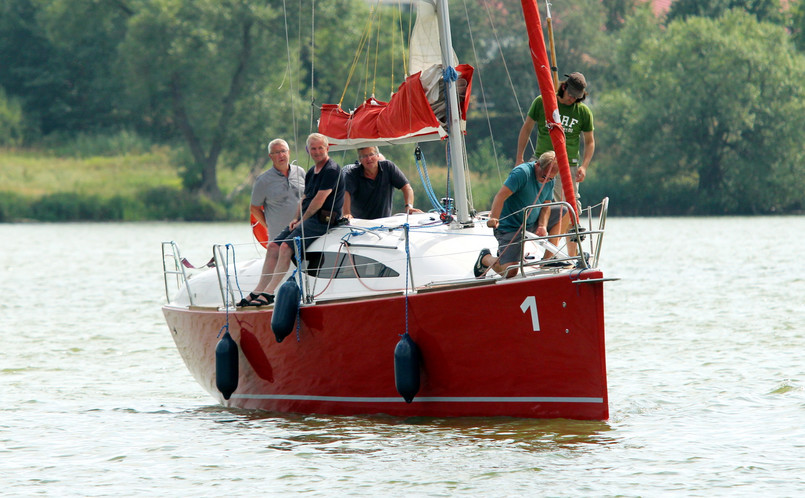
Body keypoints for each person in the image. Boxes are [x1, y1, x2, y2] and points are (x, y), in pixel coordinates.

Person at [244, 133, 344, 306]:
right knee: (274, 245)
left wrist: (302, 220)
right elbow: (304, 198)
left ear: (327, 148)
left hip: (323, 219)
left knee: (285, 247)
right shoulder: (312, 171)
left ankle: (269, 293)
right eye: (313, 148)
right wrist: (296, 218)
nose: (317, 151)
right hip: (306, 219)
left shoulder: (332, 170)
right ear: (308, 150)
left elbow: (318, 201)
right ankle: (258, 289)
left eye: (321, 147)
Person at [515, 72, 595, 255]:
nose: (573, 99)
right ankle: (533, 252)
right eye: (571, 95)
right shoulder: (542, 102)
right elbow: (526, 129)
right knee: (535, 204)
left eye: (578, 97)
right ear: (564, 87)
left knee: (570, 210)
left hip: (568, 166)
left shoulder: (583, 112)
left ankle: (571, 258)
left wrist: (584, 166)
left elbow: (590, 142)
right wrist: (519, 158)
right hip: (541, 162)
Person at [237, 139, 305, 307]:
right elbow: (254, 208)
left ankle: (263, 292)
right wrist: (268, 226)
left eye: (283, 151)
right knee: (275, 251)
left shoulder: (301, 172)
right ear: (270, 156)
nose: (281, 155)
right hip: (279, 231)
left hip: (302, 229)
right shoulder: (263, 180)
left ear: (288, 153)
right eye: (276, 152)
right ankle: (263, 292)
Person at [473, 151, 559, 279]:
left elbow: (546, 205)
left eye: (550, 179)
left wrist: (542, 225)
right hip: (510, 227)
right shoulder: (522, 173)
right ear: (537, 165)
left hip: (531, 222)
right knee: (510, 272)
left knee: (565, 210)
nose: (546, 181)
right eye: (544, 176)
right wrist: (494, 218)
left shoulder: (550, 179)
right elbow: (500, 196)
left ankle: (547, 261)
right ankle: (485, 258)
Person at [343, 146, 421, 219]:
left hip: (384, 223)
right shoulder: (352, 174)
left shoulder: (388, 167)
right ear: (360, 159)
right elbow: (346, 193)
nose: (369, 158)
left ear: (377, 155)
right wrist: (346, 213)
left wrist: (409, 207)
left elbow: (407, 188)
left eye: (371, 154)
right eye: (364, 156)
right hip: (359, 224)